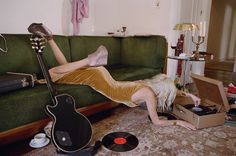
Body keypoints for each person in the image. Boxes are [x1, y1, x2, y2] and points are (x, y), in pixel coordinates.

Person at [28, 23, 201, 130]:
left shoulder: (148, 84)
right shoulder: (149, 94)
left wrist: (188, 95)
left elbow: (169, 86)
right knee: (53, 73)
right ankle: (89, 59)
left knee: (57, 71)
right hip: (104, 81)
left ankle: (52, 39)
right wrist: (179, 122)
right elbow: (157, 121)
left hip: (103, 76)